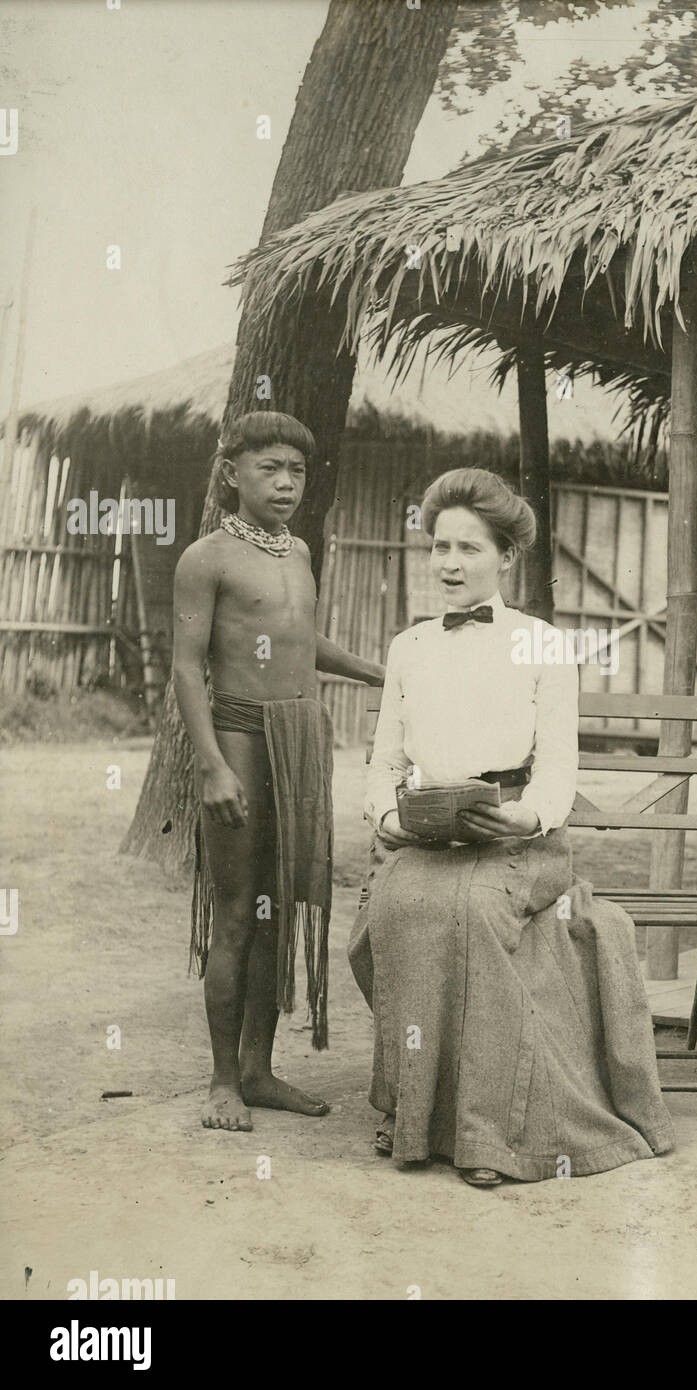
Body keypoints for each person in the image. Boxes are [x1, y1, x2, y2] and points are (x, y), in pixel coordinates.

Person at [350, 467, 674, 1187]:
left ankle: (486, 1133)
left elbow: (558, 768)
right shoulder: (410, 647)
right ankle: (413, 1112)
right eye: (440, 548)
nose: (450, 565)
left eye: (469, 549)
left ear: (505, 557)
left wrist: (524, 815)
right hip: (432, 834)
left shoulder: (542, 644)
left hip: (519, 837)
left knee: (470, 915)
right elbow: (383, 764)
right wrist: (388, 815)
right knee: (397, 908)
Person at [173, 411, 385, 1133]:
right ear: (231, 473)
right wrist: (211, 766)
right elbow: (185, 665)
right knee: (236, 915)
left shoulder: (297, 552)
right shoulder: (206, 558)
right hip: (238, 736)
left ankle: (261, 1072)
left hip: (299, 741)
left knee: (276, 913)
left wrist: (374, 670)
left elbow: (298, 636)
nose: (286, 483)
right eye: (269, 468)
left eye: (295, 470)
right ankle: (222, 1083)